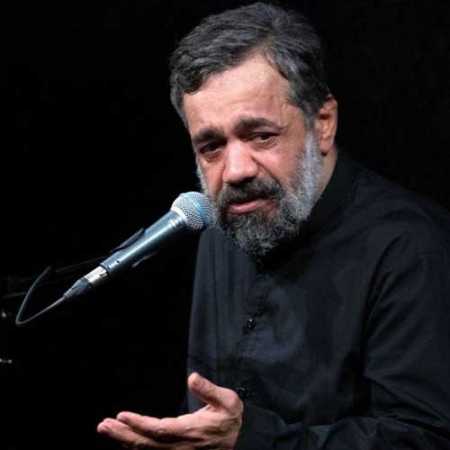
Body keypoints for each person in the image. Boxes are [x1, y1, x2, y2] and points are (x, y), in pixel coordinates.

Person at [97, 2, 450, 449]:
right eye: (211, 146)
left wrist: (250, 440)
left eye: (260, 136)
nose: (236, 171)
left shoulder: (412, 248)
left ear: (323, 124)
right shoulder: (222, 225)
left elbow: (425, 438)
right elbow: (212, 414)